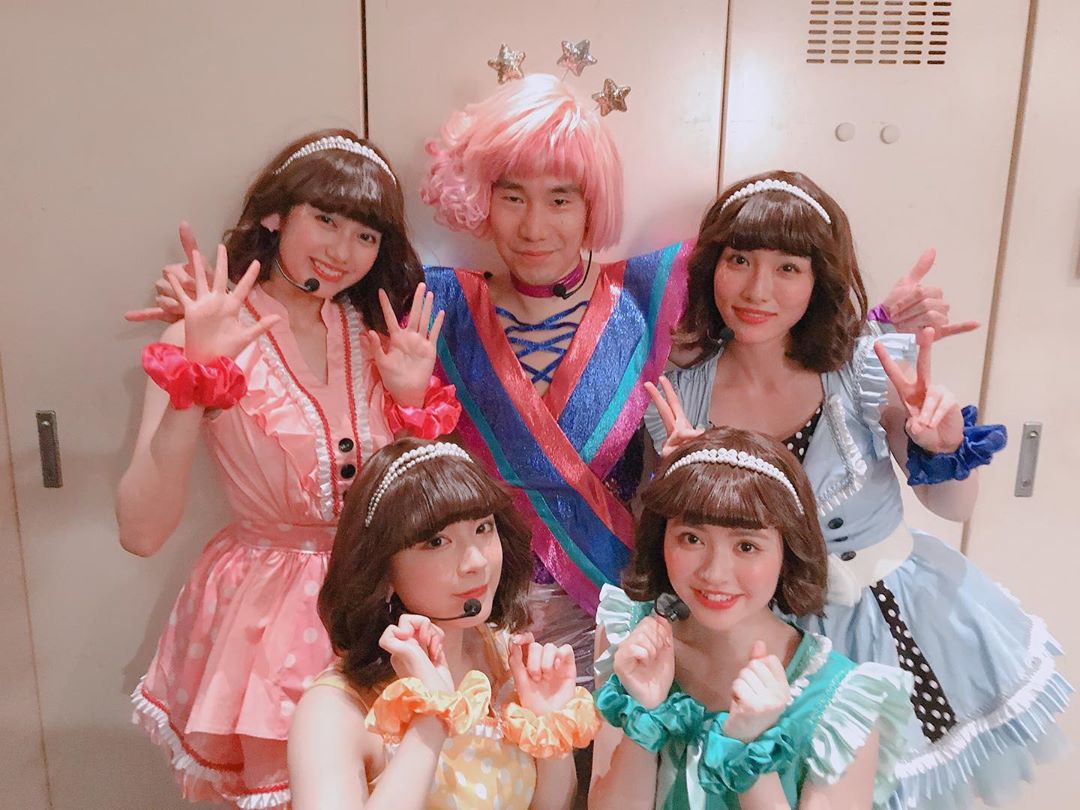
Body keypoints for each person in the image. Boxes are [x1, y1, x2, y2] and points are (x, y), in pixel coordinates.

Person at [645, 170, 1070, 808]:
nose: (758, 289)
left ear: (819, 279)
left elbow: (954, 507)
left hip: (879, 620)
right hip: (750, 631)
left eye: (789, 267)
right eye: (739, 260)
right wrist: (683, 483)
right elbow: (672, 536)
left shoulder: (865, 366)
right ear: (710, 267)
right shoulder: (681, 387)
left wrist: (944, 448)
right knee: (757, 782)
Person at [117, 129, 458, 808]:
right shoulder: (204, 329)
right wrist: (196, 378)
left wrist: (412, 402)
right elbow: (141, 531)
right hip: (265, 618)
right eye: (324, 219)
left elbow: (417, 502)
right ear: (275, 215)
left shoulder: (380, 339)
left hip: (383, 604)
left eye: (364, 234)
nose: (341, 251)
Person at [589, 428, 913, 808]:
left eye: (746, 546)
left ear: (787, 552)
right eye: (692, 538)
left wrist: (750, 752)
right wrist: (643, 716)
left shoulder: (840, 704)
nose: (715, 573)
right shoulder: (629, 640)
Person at [287, 438, 600, 809]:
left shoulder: (503, 656)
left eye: (483, 528)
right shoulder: (333, 708)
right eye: (437, 541)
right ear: (382, 568)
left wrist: (547, 727)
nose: (476, 561)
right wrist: (431, 720)